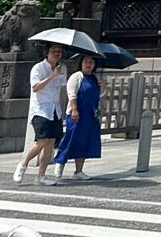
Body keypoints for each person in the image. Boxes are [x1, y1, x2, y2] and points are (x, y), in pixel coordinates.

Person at [45, 51, 103, 183]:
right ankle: (60, 162)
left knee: (84, 141)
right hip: (77, 112)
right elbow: (72, 94)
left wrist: (102, 87)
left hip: (90, 114)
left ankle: (78, 170)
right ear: (81, 63)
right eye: (86, 61)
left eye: (91, 62)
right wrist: (74, 109)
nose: (89, 64)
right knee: (71, 138)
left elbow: (98, 95)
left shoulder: (94, 78)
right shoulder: (77, 76)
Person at [13, 42, 66, 183]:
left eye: (59, 51)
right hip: (40, 109)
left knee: (50, 142)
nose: (57, 53)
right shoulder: (38, 68)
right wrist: (52, 75)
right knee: (41, 141)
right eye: (54, 50)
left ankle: (41, 176)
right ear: (47, 52)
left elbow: (60, 90)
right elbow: (35, 87)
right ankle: (23, 164)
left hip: (55, 110)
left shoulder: (63, 68)